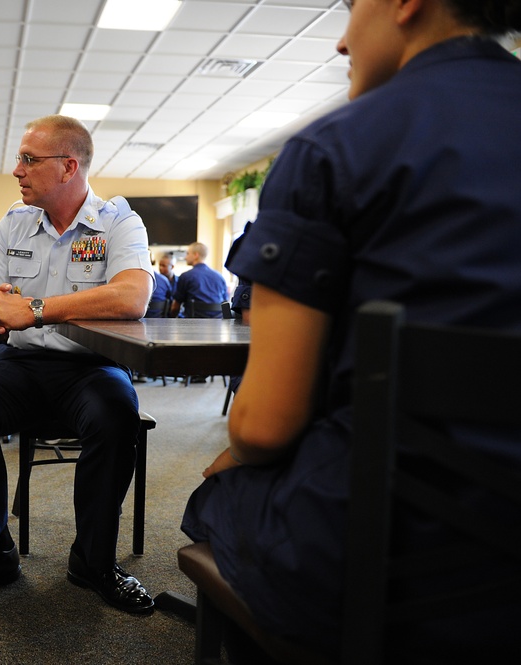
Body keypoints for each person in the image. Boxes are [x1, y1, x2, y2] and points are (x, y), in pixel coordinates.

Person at [181, 1, 521, 661]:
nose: (339, 41)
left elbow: (262, 426)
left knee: (220, 491)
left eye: (350, 6)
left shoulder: (333, 150)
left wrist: (238, 456)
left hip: (388, 559)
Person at [0, 114, 155, 614]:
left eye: (29, 160)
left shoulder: (118, 222)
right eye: (20, 159)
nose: (17, 170)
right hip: (21, 365)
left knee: (116, 415)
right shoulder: (15, 221)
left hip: (91, 368)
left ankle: (94, 560)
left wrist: (35, 309)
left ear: (68, 167)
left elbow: (132, 296)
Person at [169, 242, 228, 319]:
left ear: (196, 255)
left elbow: (176, 307)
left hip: (193, 325)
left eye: (187, 254)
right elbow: (225, 303)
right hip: (217, 324)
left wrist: (170, 318)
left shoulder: (185, 276)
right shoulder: (220, 277)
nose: (185, 257)